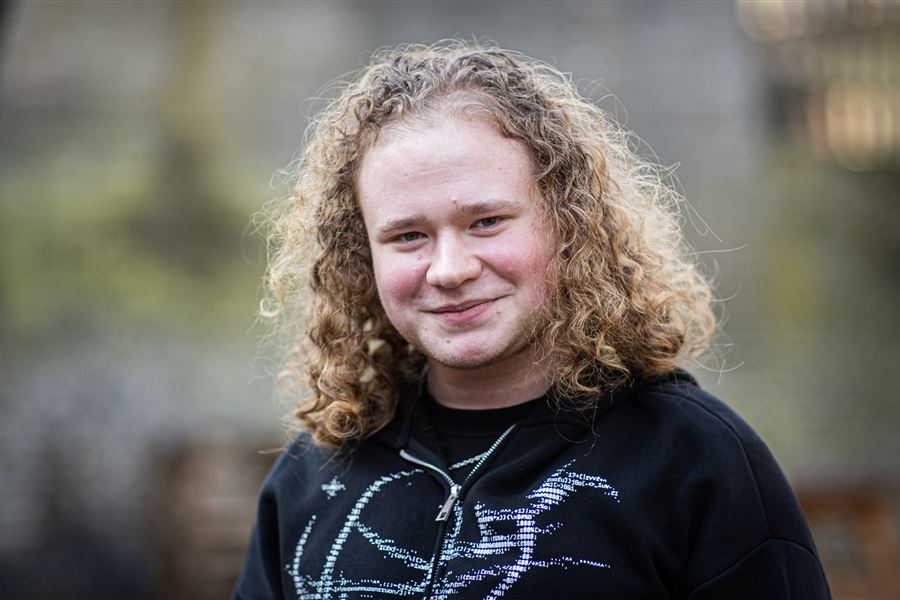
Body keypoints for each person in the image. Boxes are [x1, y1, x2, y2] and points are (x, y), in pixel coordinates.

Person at [234, 41, 831, 599]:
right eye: (408, 236)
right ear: (361, 256)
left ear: (568, 224)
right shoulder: (313, 478)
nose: (449, 269)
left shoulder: (694, 461)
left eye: (486, 222)